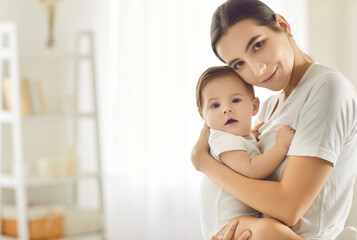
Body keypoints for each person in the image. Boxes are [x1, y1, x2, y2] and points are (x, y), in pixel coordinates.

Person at [191, 0, 357, 239]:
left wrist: (205, 163)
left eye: (257, 45)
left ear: (282, 25)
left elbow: (288, 208)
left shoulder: (326, 88)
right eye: (239, 64)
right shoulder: (268, 108)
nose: (257, 70)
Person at [196, 66, 298, 240]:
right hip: (227, 225)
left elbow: (246, 150)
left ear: (254, 106)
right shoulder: (220, 139)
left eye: (235, 100)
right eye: (215, 105)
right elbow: (251, 169)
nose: (226, 109)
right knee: (268, 230)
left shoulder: (240, 139)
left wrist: (253, 136)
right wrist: (281, 146)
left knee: (271, 230)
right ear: (202, 115)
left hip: (241, 220)